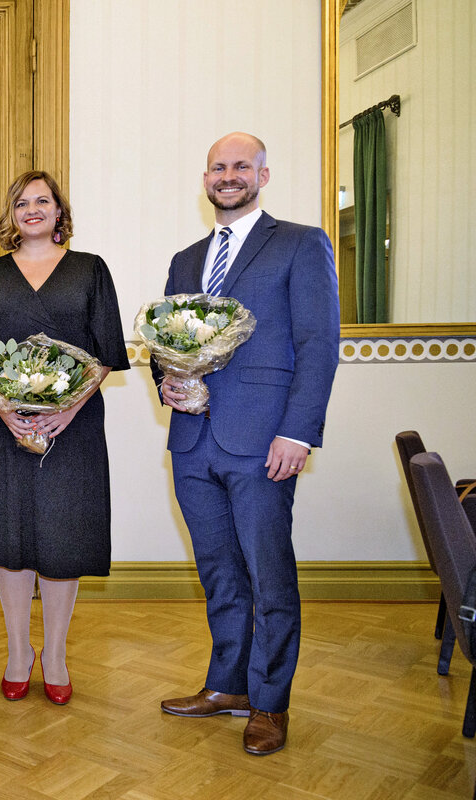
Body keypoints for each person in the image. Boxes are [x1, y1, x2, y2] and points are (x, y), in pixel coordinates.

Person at [155, 133, 340, 755]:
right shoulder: (185, 260)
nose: (228, 176)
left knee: (268, 576)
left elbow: (318, 343)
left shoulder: (300, 243)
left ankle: (269, 702)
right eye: (218, 167)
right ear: (205, 178)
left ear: (263, 175)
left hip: (264, 442)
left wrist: (298, 432)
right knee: (219, 573)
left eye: (241, 166)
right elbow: (168, 342)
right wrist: (168, 382)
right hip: (192, 442)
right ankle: (228, 685)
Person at [0, 170, 128, 705]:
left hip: (73, 428)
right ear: (12, 214)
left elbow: (106, 352)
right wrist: (5, 410)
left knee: (62, 539)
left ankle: (55, 655)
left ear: (58, 212)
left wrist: (67, 410)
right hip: (2, 427)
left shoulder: (90, 270)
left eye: (42, 201)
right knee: (10, 538)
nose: (32, 210)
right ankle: (16, 652)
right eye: (22, 203)